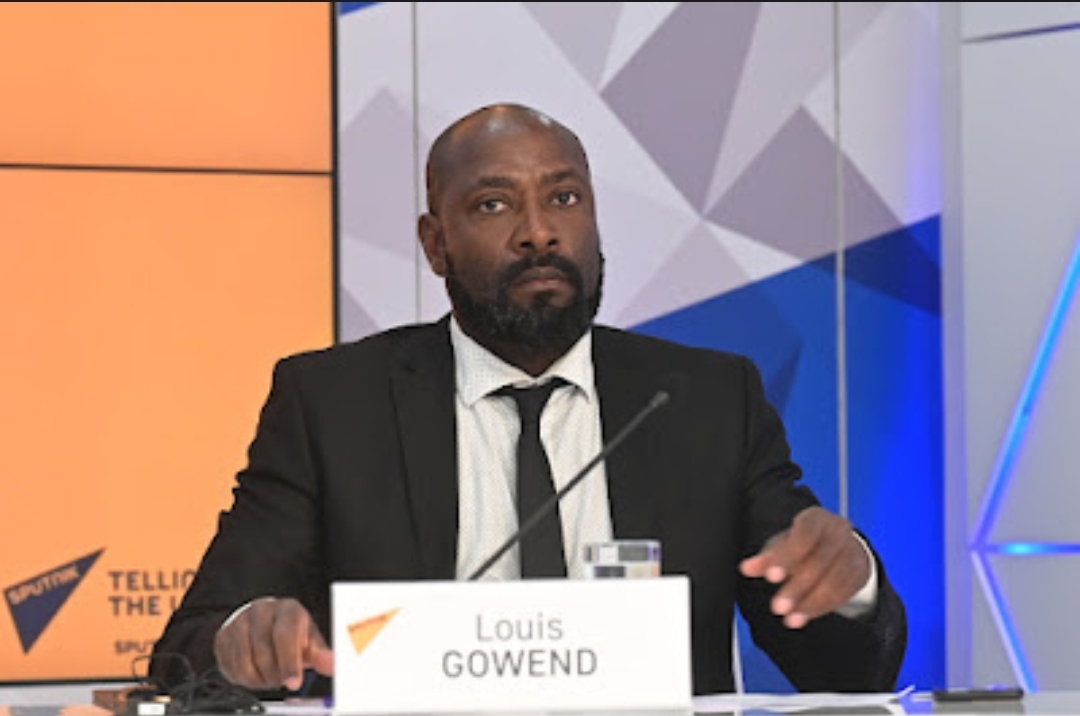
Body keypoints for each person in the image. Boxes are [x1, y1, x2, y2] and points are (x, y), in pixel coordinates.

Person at [150, 102, 906, 697]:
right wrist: (245, 640)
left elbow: (844, 670)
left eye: (564, 198)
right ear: (435, 243)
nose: (539, 233)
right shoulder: (333, 405)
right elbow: (190, 649)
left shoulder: (707, 400)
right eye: (493, 206)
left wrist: (852, 582)